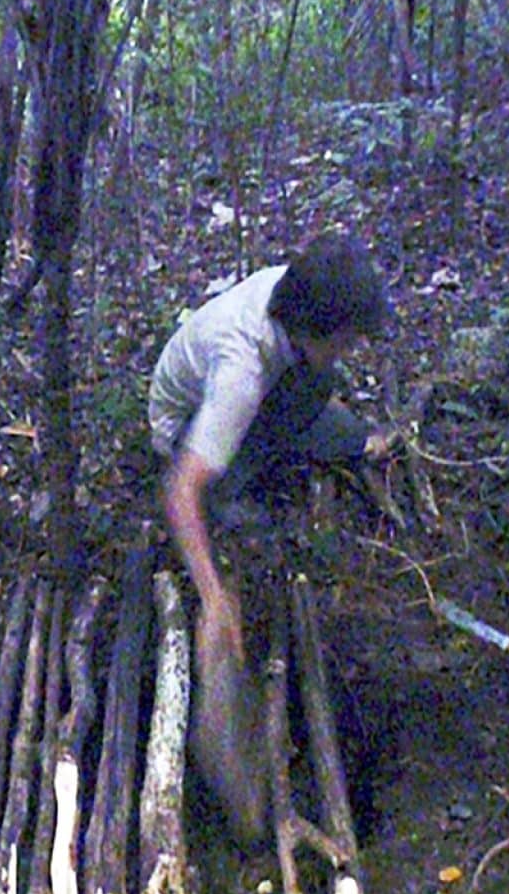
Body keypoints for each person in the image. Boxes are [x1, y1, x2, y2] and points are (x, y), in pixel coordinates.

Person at [148, 232, 394, 664]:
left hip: (242, 392)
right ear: (314, 332)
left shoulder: (294, 290)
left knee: (323, 388)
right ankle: (228, 491)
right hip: (183, 428)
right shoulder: (240, 377)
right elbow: (180, 489)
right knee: (308, 399)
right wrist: (213, 597)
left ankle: (307, 436)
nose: (351, 347)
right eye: (345, 339)